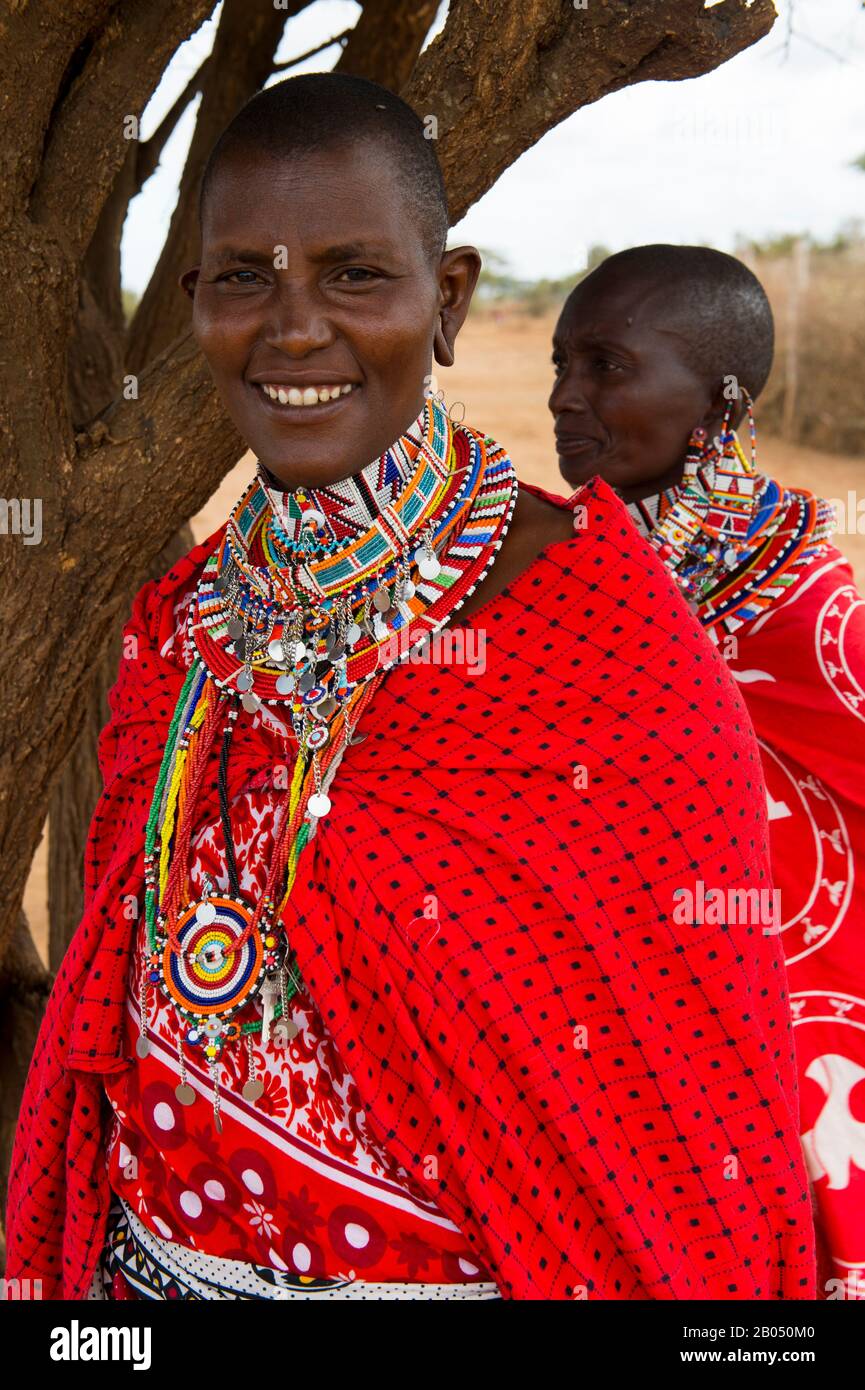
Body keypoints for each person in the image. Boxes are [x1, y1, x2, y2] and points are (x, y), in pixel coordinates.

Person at [4, 82, 815, 1303]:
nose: (291, 331)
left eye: (352, 275)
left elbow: (682, 1118)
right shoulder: (183, 631)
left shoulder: (596, 630)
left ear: (447, 300)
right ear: (195, 307)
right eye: (243, 279)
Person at [549, 243, 865, 1299]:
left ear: (717, 403)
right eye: (561, 365)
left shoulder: (800, 601)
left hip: (774, 1031)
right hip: (597, 1032)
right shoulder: (559, 566)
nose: (564, 398)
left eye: (604, 367)